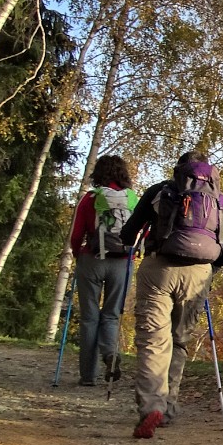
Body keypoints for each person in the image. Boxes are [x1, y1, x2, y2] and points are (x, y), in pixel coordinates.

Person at [118, 151, 223, 439]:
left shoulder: (160, 191)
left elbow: (127, 233)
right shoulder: (220, 200)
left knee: (154, 340)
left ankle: (151, 407)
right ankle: (168, 409)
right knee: (179, 341)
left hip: (160, 269)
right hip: (199, 275)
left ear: (178, 170)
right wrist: (208, 271)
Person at [67, 154, 138, 387]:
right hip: (122, 262)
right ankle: (110, 354)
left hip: (92, 259)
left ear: (98, 173)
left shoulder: (90, 199)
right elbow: (143, 232)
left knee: (89, 318)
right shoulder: (131, 199)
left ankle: (88, 376)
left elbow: (76, 235)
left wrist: (79, 254)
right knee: (110, 315)